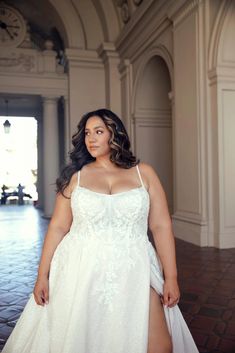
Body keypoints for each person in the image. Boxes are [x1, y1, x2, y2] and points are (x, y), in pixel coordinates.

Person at [2, 109, 199, 353]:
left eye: (98, 132)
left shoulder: (143, 173)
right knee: (85, 339)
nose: (91, 139)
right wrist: (42, 275)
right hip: (81, 271)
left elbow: (160, 226)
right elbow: (58, 227)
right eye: (87, 133)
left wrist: (171, 277)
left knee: (160, 346)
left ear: (114, 134)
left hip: (135, 268)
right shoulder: (76, 177)